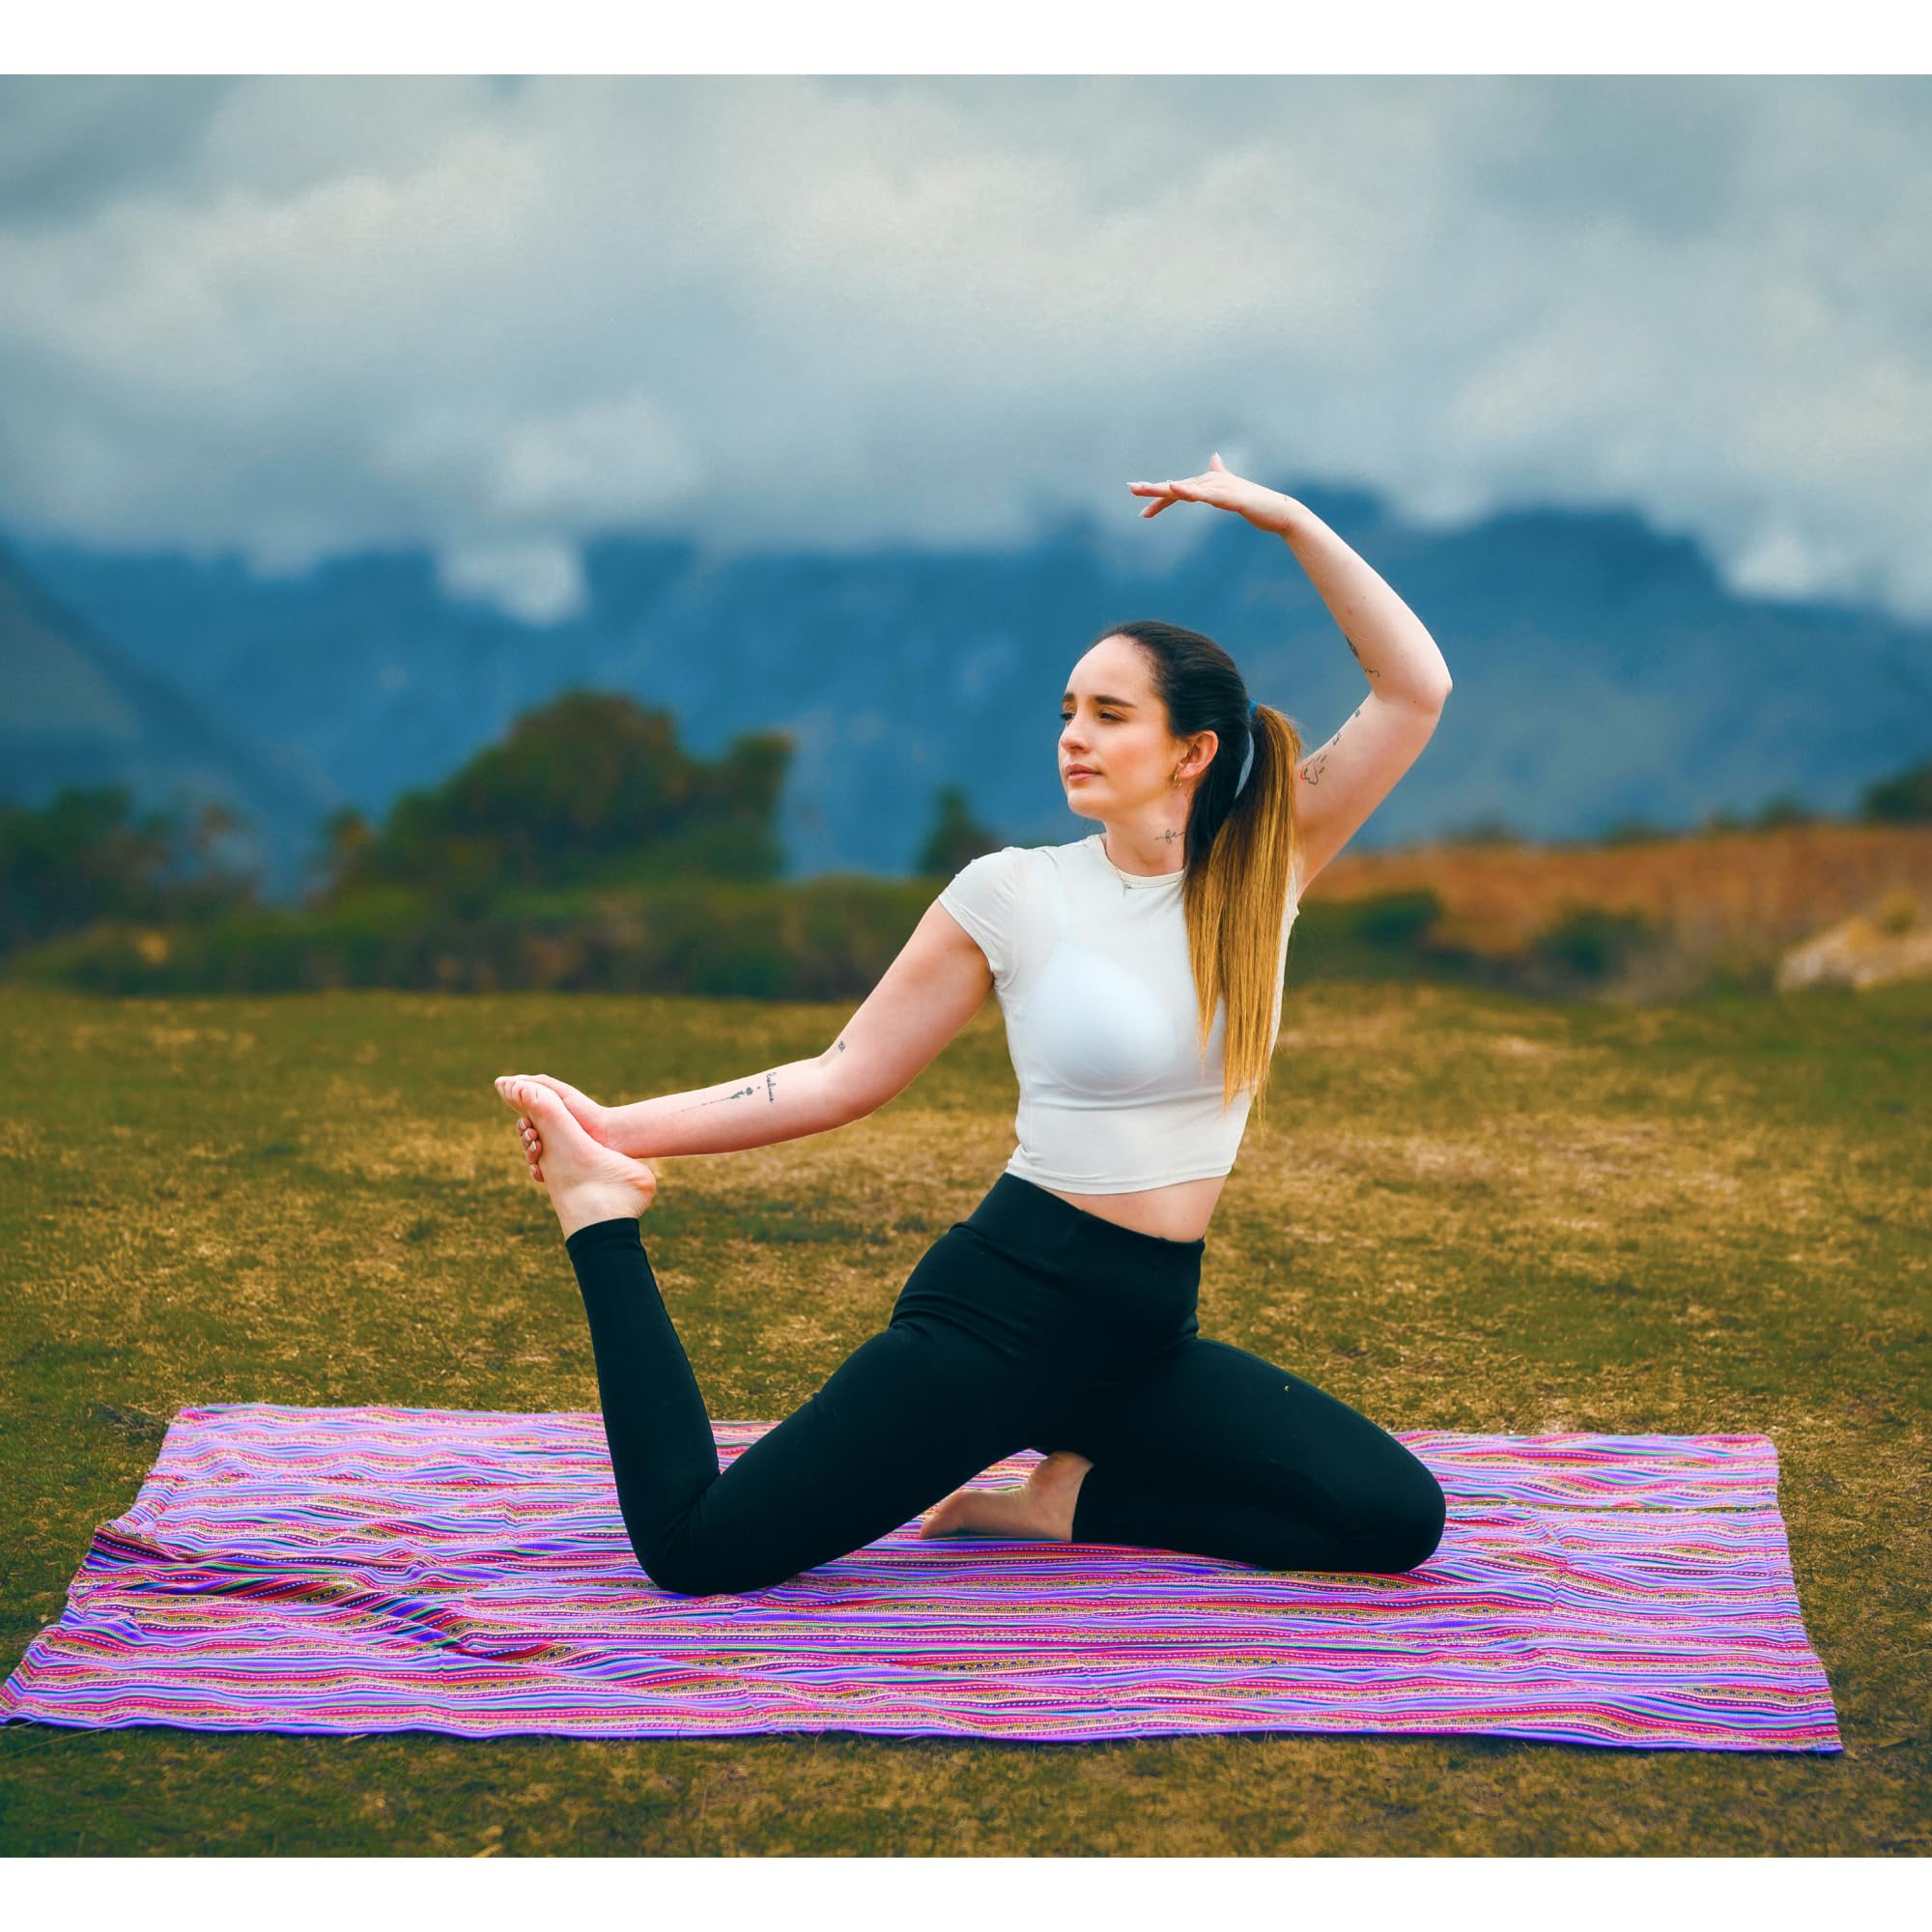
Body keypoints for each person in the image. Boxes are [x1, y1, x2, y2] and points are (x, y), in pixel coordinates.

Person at [494, 454, 1457, 1599]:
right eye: (1066, 713)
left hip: (1144, 1334)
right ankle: (599, 1221)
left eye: (1109, 714)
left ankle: (1060, 1499)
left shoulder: (1262, 867)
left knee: (1393, 1516)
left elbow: (1413, 689)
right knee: (697, 1549)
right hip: (1003, 1314)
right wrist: (617, 1134)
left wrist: (1286, 518)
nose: (1074, 736)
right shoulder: (1011, 892)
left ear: (1193, 750)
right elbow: (842, 1073)